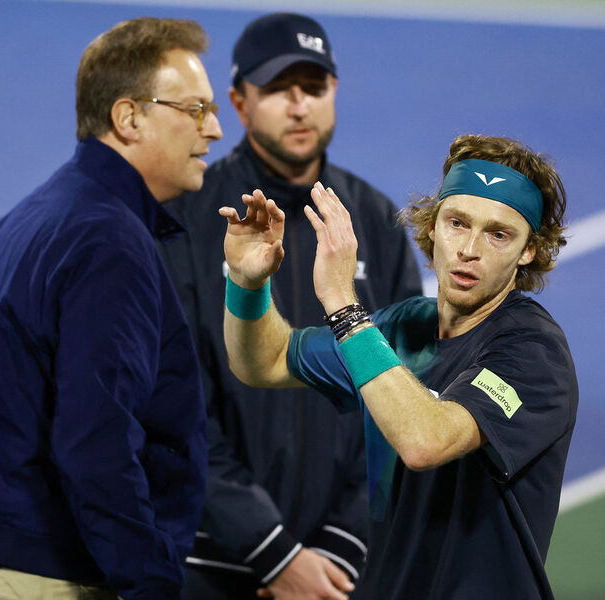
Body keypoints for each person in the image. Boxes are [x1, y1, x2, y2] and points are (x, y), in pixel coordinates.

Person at [220, 134, 578, 599]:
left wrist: (343, 304)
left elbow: (426, 441)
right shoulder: (402, 327)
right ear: (433, 226)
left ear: (529, 250)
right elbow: (264, 362)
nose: (469, 248)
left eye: (498, 234)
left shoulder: (533, 352)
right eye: (457, 223)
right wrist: (247, 284)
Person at [0, 17, 223, 600]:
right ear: (129, 118)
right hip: (56, 581)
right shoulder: (109, 243)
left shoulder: (32, 214)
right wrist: (149, 583)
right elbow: (97, 443)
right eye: (195, 109)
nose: (215, 129)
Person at [160, 12, 422, 600]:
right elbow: (174, 405)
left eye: (314, 86)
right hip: (212, 565)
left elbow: (406, 389)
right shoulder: (187, 218)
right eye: (278, 88)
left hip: (339, 571)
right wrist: (273, 553)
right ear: (239, 102)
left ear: (335, 91)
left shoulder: (375, 220)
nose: (300, 105)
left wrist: (342, 544)